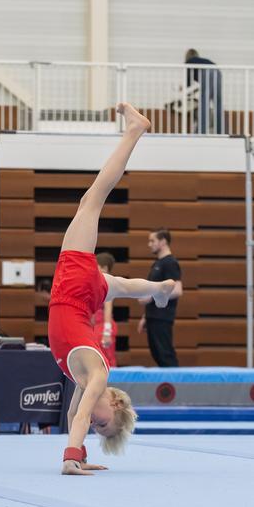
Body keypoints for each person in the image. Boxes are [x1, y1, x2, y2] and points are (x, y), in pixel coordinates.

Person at [48, 103, 175, 476]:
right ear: (116, 406)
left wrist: (81, 451)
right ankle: (135, 130)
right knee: (94, 198)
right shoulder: (99, 374)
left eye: (96, 430)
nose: (95, 424)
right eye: (104, 425)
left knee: (115, 285)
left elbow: (74, 412)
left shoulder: (84, 379)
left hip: (81, 296)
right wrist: (72, 456)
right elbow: (83, 413)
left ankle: (158, 288)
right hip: (72, 291)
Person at [137, 229, 182, 367]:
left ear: (163, 242)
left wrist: (150, 297)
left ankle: (175, 384)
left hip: (162, 316)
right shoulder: (157, 264)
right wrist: (145, 316)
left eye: (152, 241)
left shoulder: (170, 263)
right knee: (157, 354)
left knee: (165, 354)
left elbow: (177, 290)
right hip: (153, 316)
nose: (149, 244)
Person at [185, 49, 222, 134]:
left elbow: (188, 81)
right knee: (218, 103)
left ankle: (201, 131)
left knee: (204, 104)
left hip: (207, 72)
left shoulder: (189, 61)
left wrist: (183, 88)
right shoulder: (200, 61)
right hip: (218, 72)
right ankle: (220, 131)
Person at [93, 252, 117, 368]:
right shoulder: (98, 283)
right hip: (96, 326)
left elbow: (108, 308)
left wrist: (107, 332)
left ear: (104, 268)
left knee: (106, 358)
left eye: (95, 266)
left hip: (104, 327)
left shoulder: (107, 283)